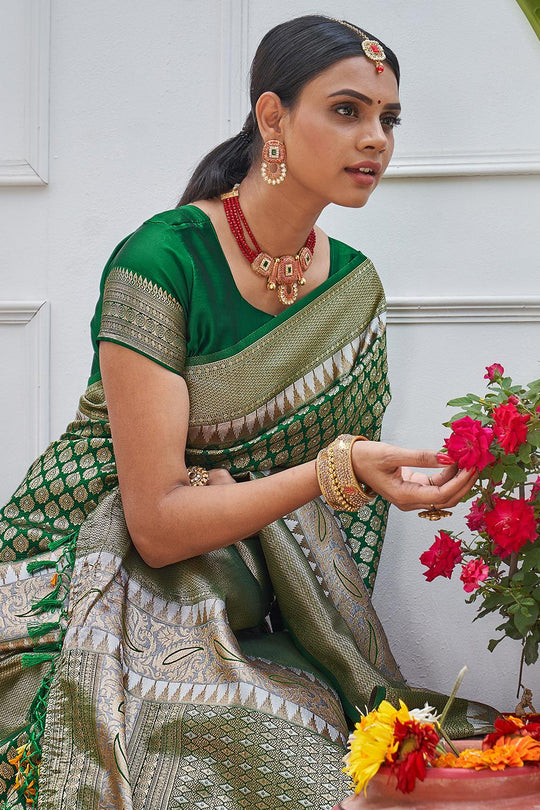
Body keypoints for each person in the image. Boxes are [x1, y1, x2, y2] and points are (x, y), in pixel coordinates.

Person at [0, 15, 497, 810]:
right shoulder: (161, 261)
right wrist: (334, 470)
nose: (376, 139)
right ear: (272, 118)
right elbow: (156, 522)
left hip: (251, 585)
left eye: (388, 118)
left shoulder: (353, 289)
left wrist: (391, 479)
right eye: (347, 110)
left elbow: (341, 518)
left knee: (368, 756)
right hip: (100, 566)